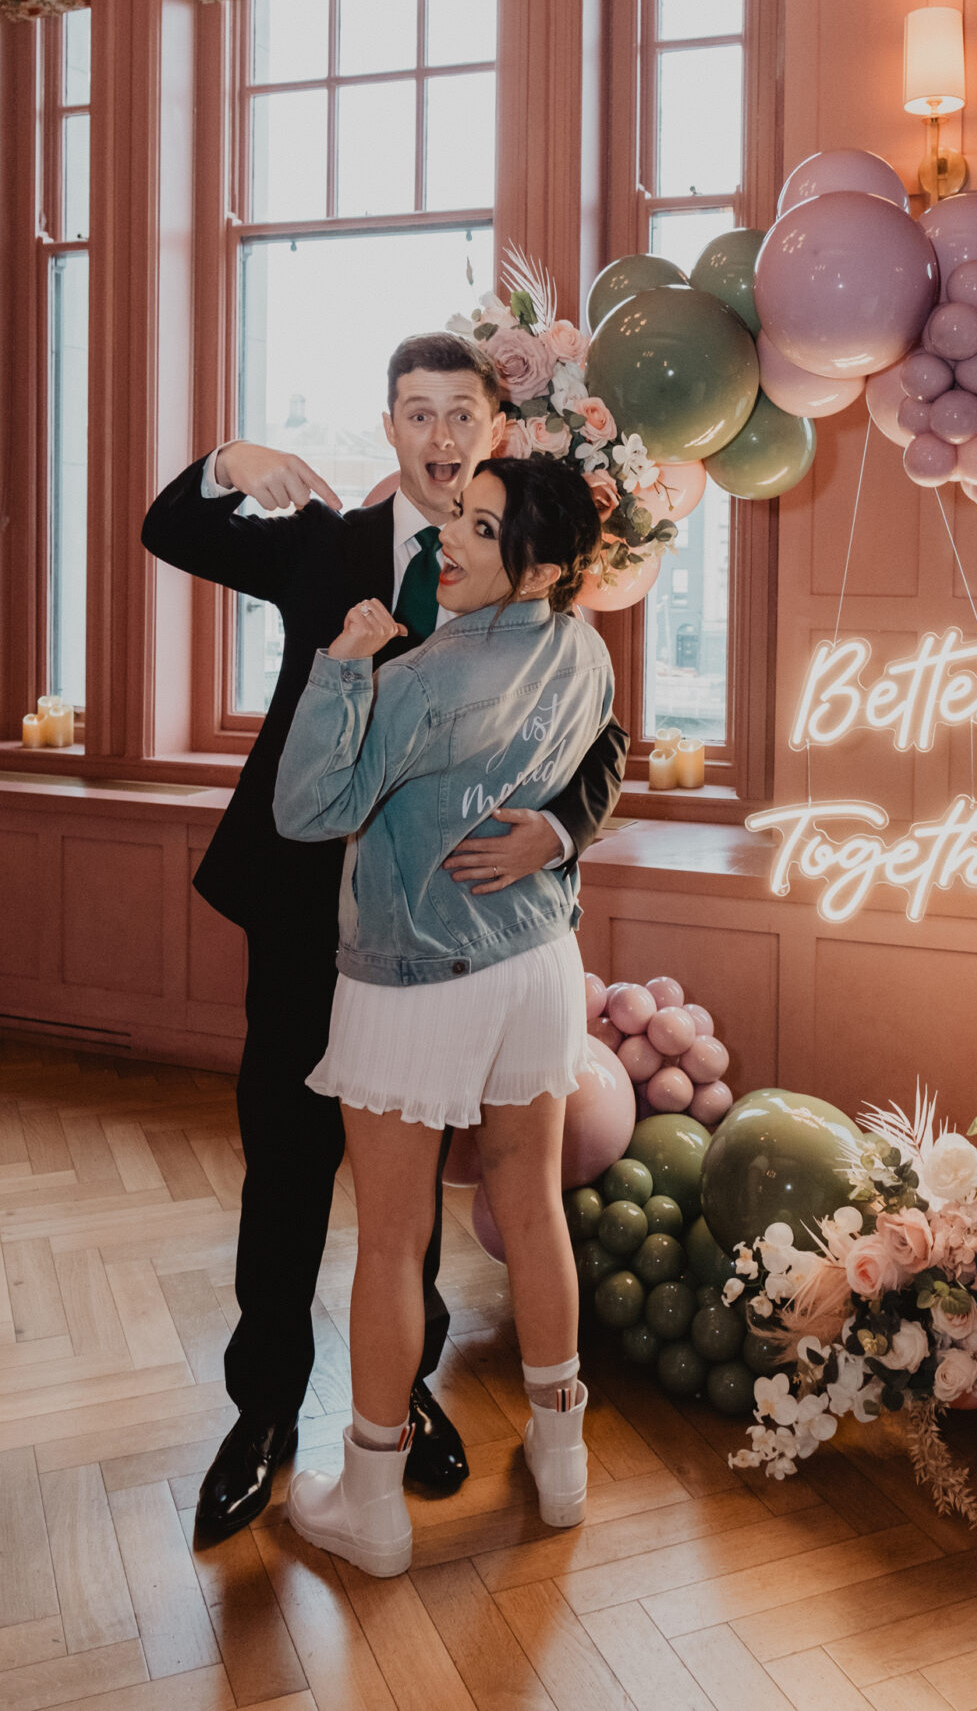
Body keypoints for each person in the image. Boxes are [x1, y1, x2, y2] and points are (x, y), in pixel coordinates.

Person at [140, 333, 628, 1542]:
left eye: (462, 413)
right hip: (309, 915)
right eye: (417, 414)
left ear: (492, 432)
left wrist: (556, 836)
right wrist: (227, 461)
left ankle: (399, 1402)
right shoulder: (330, 547)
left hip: (458, 940)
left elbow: (606, 748)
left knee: (406, 1198)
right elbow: (173, 532)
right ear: (393, 428)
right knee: (291, 1167)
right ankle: (262, 1415)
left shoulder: (534, 582)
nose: (442, 437)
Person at [273, 455, 612, 1575]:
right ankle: (561, 1467)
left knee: (390, 1238)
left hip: (413, 970)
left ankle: (369, 1503)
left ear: (548, 564)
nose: (446, 541)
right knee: (534, 1208)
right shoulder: (585, 651)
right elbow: (582, 769)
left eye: (478, 527)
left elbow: (309, 806)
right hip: (538, 964)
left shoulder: (421, 675)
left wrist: (343, 667)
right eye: (454, 518)